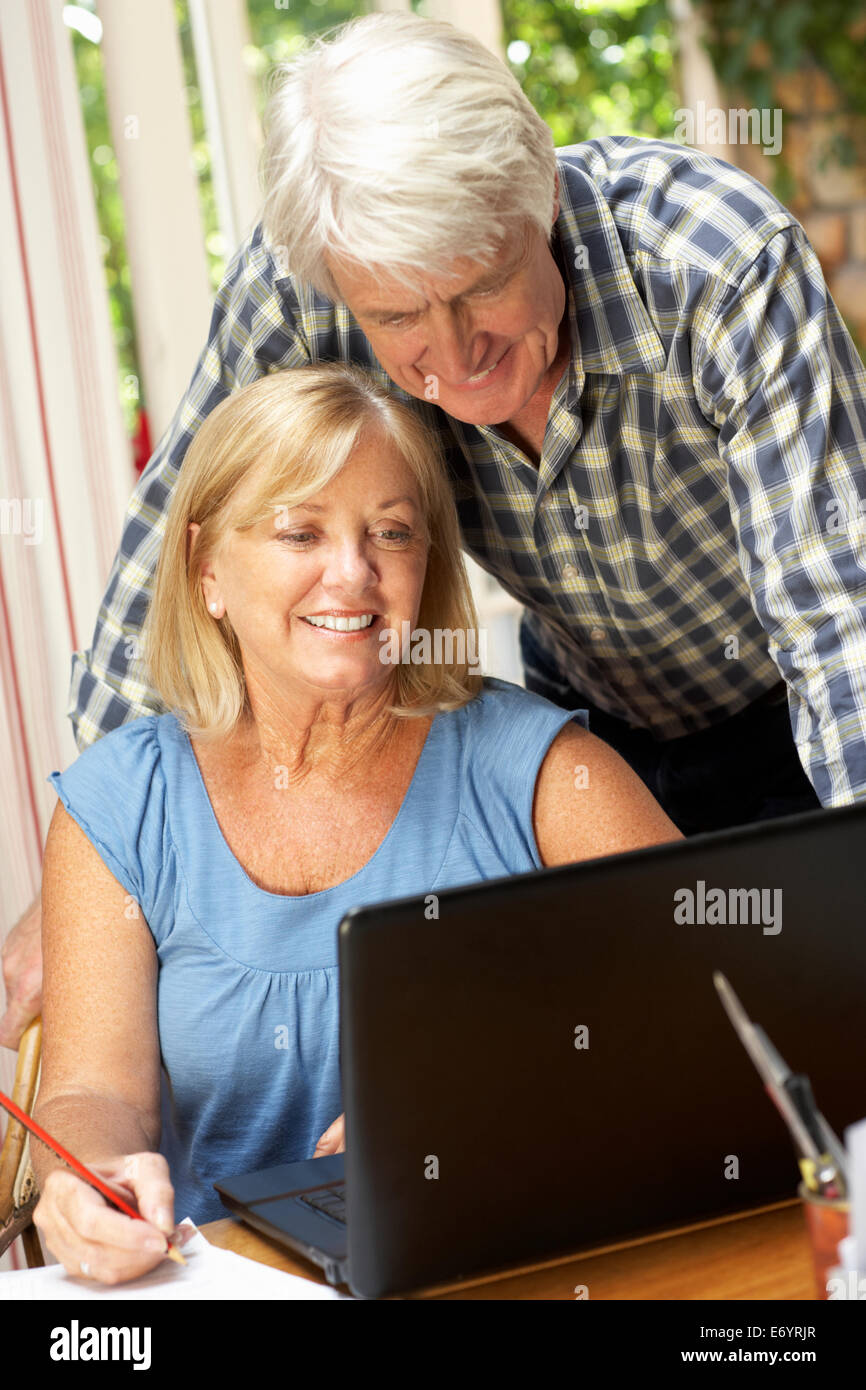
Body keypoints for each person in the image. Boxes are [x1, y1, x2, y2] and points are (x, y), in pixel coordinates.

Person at [5, 10, 866, 1041]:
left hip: (782, 719)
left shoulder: (716, 266)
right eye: (398, 319)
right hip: (595, 727)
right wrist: (85, 875)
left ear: (539, 192)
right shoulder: (305, 279)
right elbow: (179, 535)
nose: (455, 360)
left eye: (480, 287)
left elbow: (838, 632)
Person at [30, 364, 680, 1284]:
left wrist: (511, 1093)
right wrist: (86, 1180)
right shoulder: (118, 805)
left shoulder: (545, 776)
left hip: (512, 1266)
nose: (354, 573)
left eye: (391, 533)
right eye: (302, 530)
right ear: (205, 565)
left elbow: (717, 1017)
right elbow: (95, 1093)